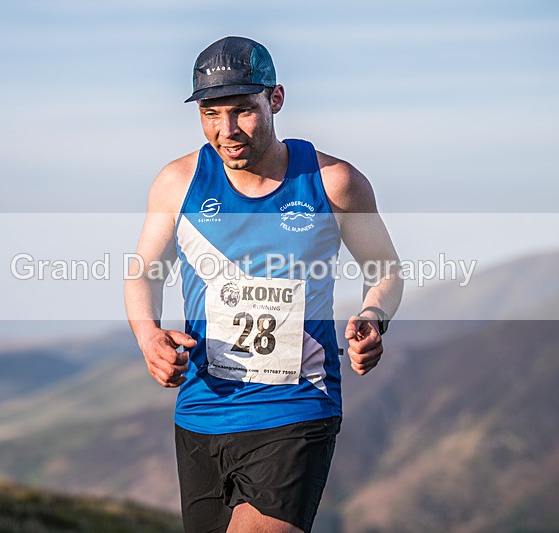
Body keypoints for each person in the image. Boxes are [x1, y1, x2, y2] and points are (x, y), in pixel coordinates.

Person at [124, 36, 402, 533]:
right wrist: (148, 335)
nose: (226, 130)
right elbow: (144, 270)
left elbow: (385, 269)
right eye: (210, 113)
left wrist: (373, 316)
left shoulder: (334, 182)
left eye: (242, 111)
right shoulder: (178, 182)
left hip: (296, 408)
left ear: (275, 100)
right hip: (202, 411)